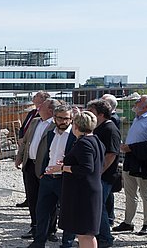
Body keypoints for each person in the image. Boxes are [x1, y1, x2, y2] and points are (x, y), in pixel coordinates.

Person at [25, 104, 77, 248]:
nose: (63, 121)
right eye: (60, 118)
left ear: (71, 119)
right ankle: (39, 241)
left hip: (64, 179)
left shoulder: (74, 136)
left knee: (67, 213)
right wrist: (42, 172)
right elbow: (47, 155)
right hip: (48, 179)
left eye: (66, 118)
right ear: (54, 118)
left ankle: (67, 243)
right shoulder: (51, 134)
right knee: (41, 211)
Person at [113, 95, 147, 236]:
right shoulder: (137, 119)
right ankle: (128, 222)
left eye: (140, 100)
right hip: (130, 159)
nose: (136, 102)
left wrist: (132, 147)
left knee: (146, 194)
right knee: (129, 193)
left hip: (143, 162)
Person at [59, 110, 105, 248]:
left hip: (84, 192)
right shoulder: (95, 140)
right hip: (89, 189)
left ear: (76, 126)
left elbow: (86, 168)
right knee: (84, 232)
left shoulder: (83, 143)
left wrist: (64, 168)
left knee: (85, 233)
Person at [15, 98, 57, 240]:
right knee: (32, 198)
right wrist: (19, 156)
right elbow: (25, 141)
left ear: (50, 110)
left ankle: (50, 230)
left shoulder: (56, 125)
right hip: (30, 165)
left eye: (42, 106)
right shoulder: (35, 122)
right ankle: (35, 227)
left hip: (45, 167)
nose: (38, 108)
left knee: (49, 200)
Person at [89, 99, 121, 248]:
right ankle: (96, 235)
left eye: (92, 112)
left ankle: (105, 238)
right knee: (95, 206)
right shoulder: (99, 127)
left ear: (101, 114)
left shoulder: (110, 129)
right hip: (96, 175)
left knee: (99, 207)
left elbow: (111, 154)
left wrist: (99, 171)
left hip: (104, 177)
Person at [17, 91, 50, 208]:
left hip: (39, 154)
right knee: (27, 177)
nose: (33, 97)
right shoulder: (32, 113)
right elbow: (23, 127)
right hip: (27, 147)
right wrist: (21, 137)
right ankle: (29, 198)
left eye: (36, 96)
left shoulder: (44, 117)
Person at [100, 93, 121, 226]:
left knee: (105, 197)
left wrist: (101, 169)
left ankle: (107, 223)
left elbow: (111, 153)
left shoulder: (111, 122)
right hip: (103, 167)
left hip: (105, 169)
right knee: (106, 196)